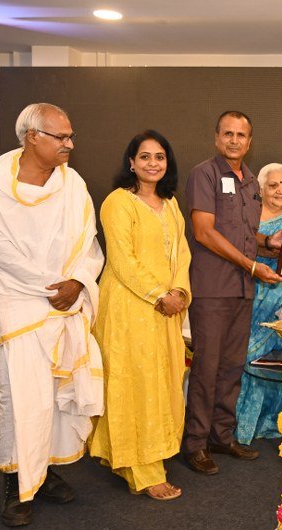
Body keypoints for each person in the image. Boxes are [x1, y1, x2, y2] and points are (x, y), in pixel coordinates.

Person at [0, 103, 104, 527]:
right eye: (61, 137)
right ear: (32, 136)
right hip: (19, 300)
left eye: (70, 136)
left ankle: (45, 471)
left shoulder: (73, 183)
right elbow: (1, 250)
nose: (70, 144)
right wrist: (53, 288)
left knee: (52, 396)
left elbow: (88, 243)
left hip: (65, 300)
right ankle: (16, 484)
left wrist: (78, 283)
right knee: (21, 395)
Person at [89, 130, 190, 501]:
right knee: (136, 384)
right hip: (129, 307)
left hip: (167, 308)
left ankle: (144, 454)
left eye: (159, 157)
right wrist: (159, 295)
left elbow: (182, 253)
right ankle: (144, 471)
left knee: (164, 381)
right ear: (131, 163)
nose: (153, 163)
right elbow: (121, 260)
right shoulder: (118, 202)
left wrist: (178, 292)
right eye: (145, 156)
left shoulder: (171, 203)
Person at [184, 111, 282, 475]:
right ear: (216, 138)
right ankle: (195, 443)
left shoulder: (252, 182)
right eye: (228, 133)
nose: (234, 140)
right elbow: (204, 231)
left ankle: (221, 436)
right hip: (212, 288)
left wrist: (268, 242)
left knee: (231, 367)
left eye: (241, 135)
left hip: (243, 289)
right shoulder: (204, 174)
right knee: (207, 367)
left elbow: (243, 233)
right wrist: (251, 264)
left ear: (249, 141)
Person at [235, 163, 282, 445]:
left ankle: (278, 420)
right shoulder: (247, 218)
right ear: (261, 190)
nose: (280, 190)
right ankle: (244, 422)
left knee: (280, 357)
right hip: (249, 292)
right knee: (246, 354)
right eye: (273, 185)